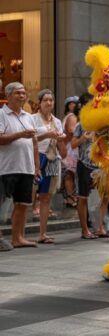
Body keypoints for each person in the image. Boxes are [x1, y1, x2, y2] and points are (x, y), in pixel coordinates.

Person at [0, 82, 40, 248]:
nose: (22, 96)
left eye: (24, 93)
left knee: (23, 203)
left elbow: (35, 144)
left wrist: (37, 167)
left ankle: (18, 238)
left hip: (26, 167)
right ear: (8, 95)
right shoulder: (2, 114)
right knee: (1, 204)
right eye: (18, 93)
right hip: (7, 167)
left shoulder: (28, 116)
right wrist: (21, 134)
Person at [31, 89, 67, 244]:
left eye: (51, 100)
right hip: (35, 158)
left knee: (46, 197)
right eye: (45, 100)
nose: (48, 103)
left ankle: (42, 234)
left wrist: (61, 139)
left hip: (52, 159)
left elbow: (63, 152)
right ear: (39, 103)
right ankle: (17, 233)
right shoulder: (32, 119)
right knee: (28, 196)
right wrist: (46, 135)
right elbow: (29, 139)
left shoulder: (57, 121)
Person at [70, 93, 107, 239]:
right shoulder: (81, 124)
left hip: (102, 163)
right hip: (85, 163)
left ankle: (100, 227)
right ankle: (85, 230)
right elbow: (73, 144)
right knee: (83, 197)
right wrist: (83, 138)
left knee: (105, 196)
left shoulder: (103, 123)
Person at [61, 96, 79, 207]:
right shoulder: (72, 117)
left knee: (69, 174)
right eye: (71, 103)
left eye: (75, 103)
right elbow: (72, 131)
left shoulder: (67, 116)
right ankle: (71, 198)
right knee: (70, 173)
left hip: (68, 147)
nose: (73, 105)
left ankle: (69, 197)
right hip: (71, 148)